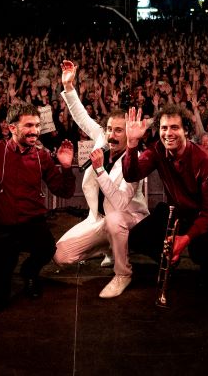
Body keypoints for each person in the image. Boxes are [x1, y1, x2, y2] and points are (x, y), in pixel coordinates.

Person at [53, 60, 149, 299]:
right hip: (100, 218)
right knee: (61, 255)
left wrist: (99, 170)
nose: (111, 135)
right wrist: (69, 86)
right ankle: (107, 247)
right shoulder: (101, 140)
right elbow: (80, 116)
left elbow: (119, 203)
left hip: (130, 219)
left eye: (118, 131)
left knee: (115, 219)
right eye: (108, 129)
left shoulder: (135, 158)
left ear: (129, 134)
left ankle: (123, 273)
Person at [0, 102, 75, 311]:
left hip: (32, 223)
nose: (35, 131)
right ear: (12, 127)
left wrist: (67, 167)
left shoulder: (42, 156)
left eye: (37, 125)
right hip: (3, 228)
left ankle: (29, 272)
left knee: (47, 248)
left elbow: (64, 191)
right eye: (28, 125)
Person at [122, 104, 208, 289]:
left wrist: (185, 239)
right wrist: (132, 144)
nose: (168, 133)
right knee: (135, 238)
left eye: (175, 127)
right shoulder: (157, 150)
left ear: (187, 131)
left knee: (202, 254)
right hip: (175, 211)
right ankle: (167, 259)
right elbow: (131, 175)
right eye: (164, 128)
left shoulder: (206, 162)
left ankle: (207, 275)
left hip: (201, 217)